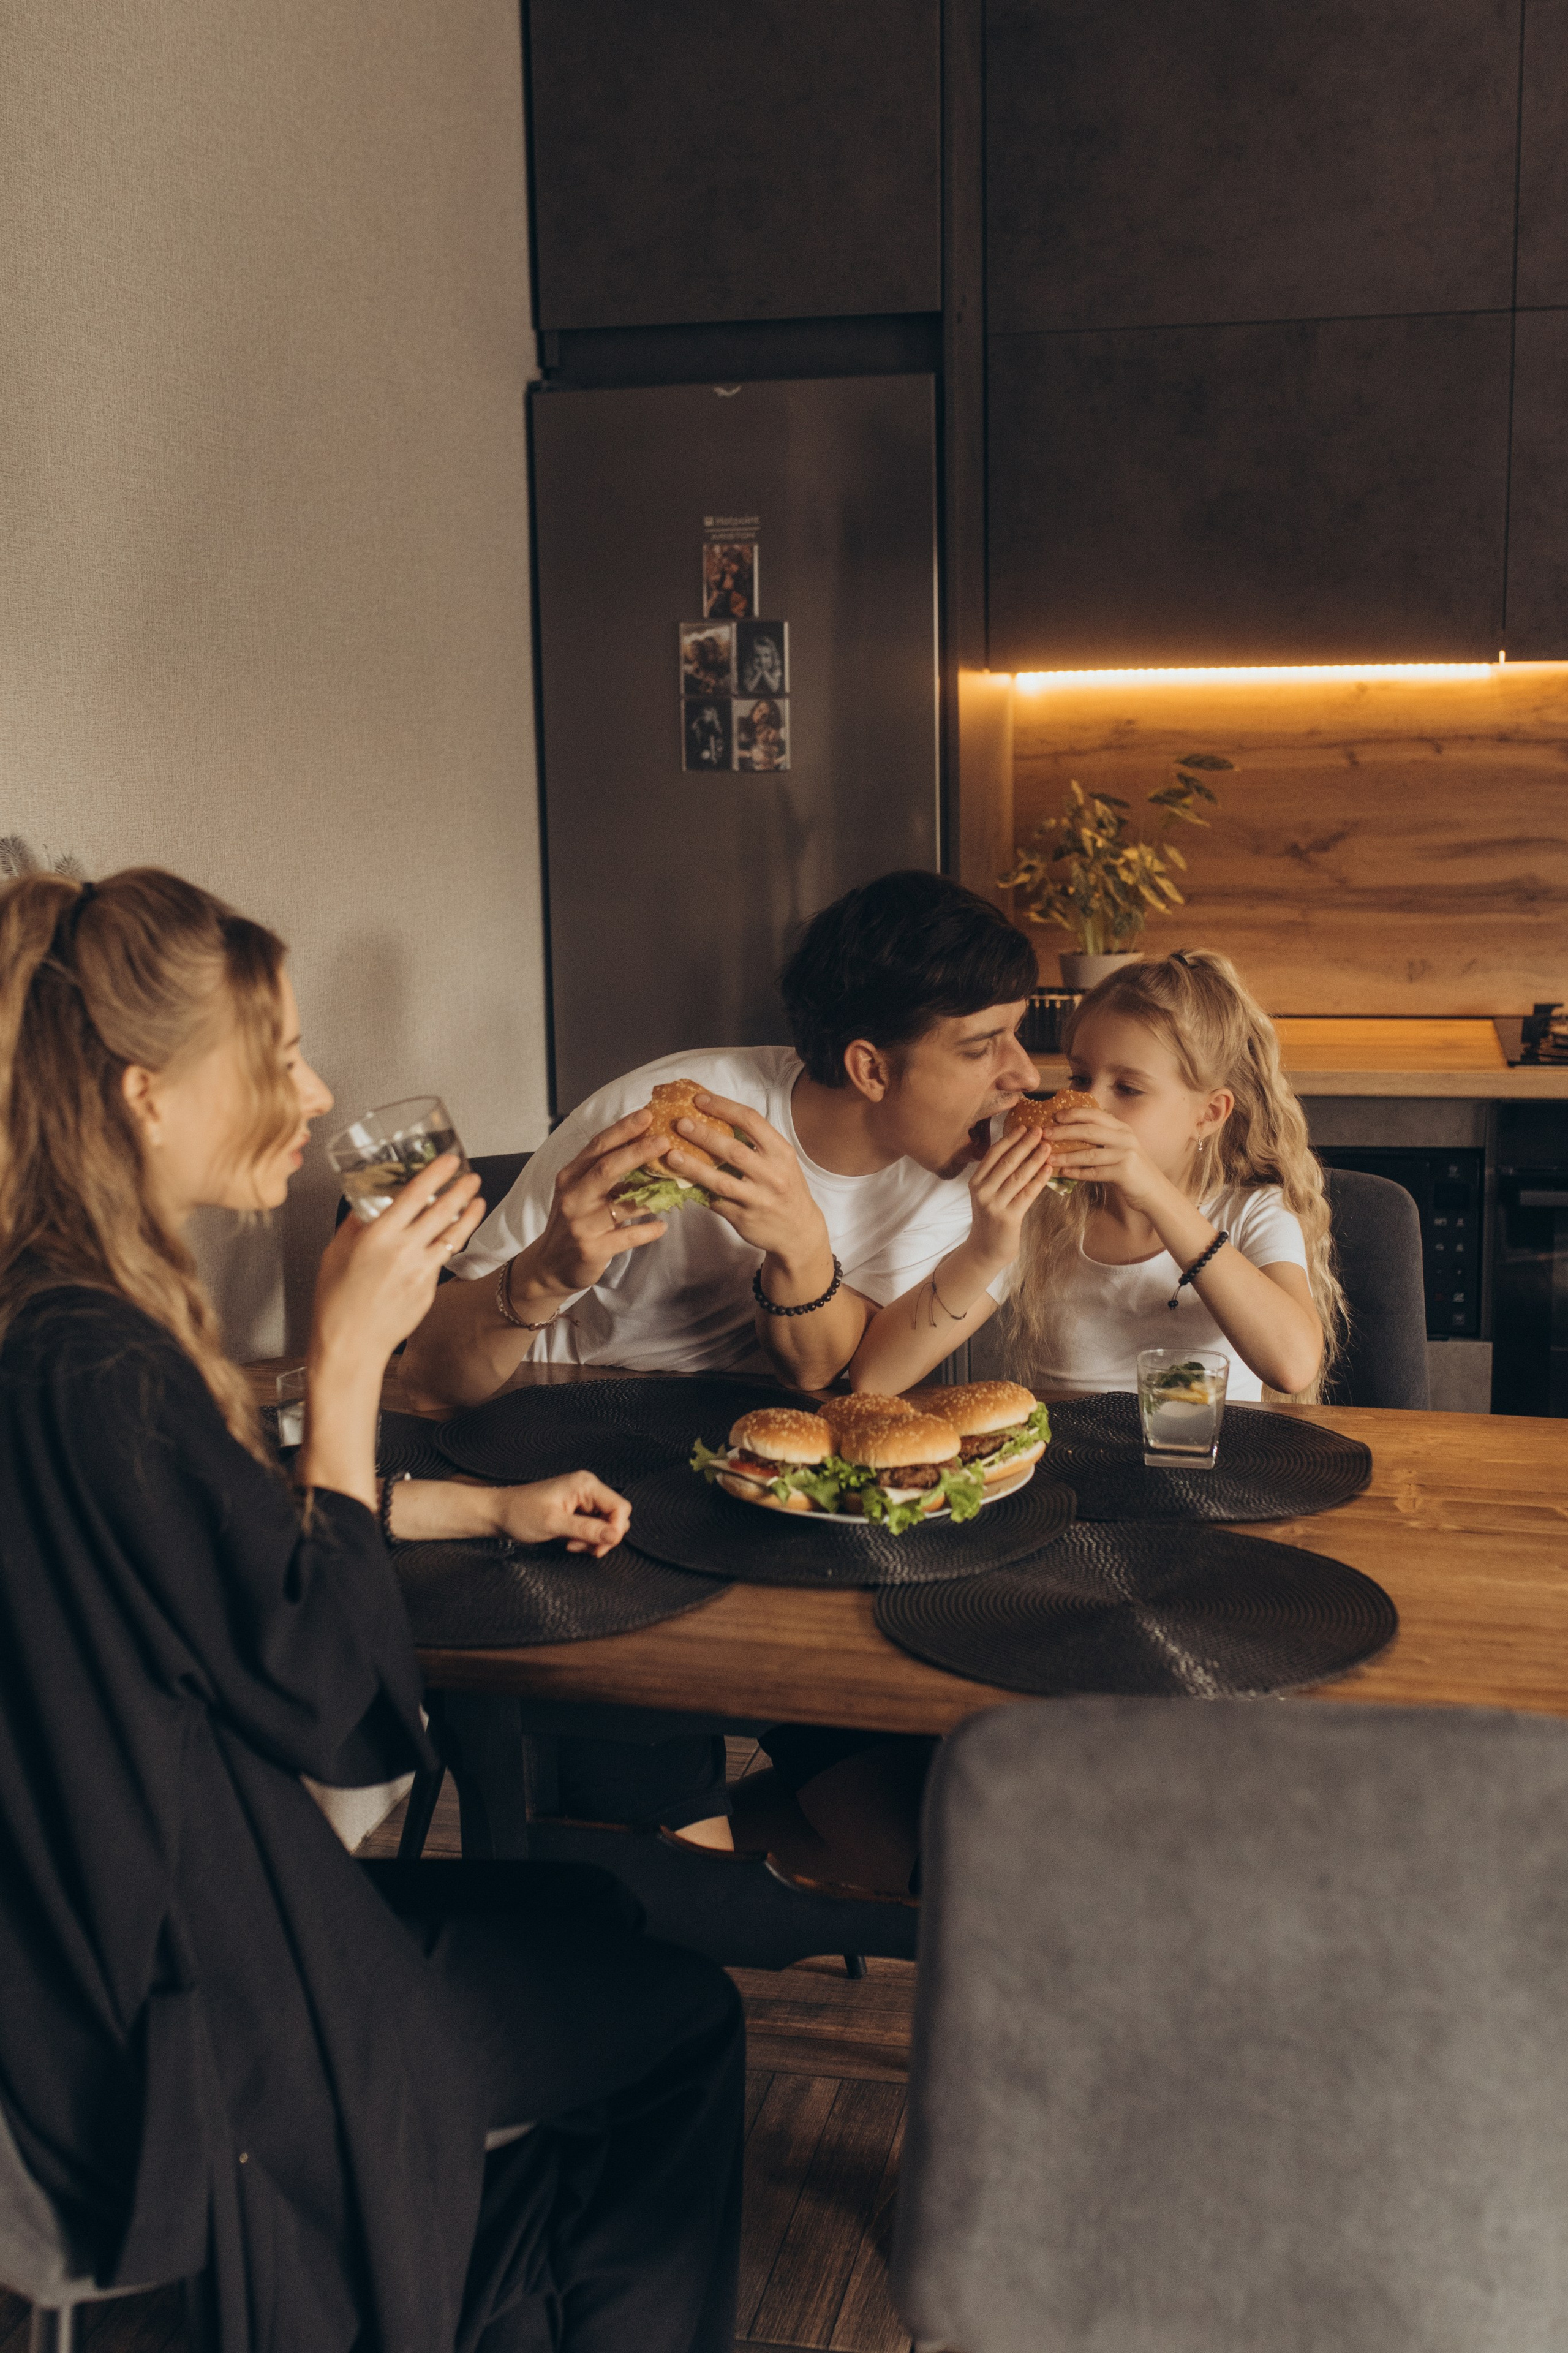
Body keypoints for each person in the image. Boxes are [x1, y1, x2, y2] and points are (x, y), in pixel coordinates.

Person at [0, 867, 743, 2353]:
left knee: (584, 1904)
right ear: (147, 1096)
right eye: (274, 1056)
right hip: (200, 2016)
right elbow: (341, 1718)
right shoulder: (98, 1366)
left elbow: (196, 1545)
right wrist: (352, 1367)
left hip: (90, 1967)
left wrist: (475, 1504)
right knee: (679, 2015)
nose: (315, 1085)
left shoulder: (47, 1325)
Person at [399, 869, 1050, 1860]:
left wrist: (799, 1246)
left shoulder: (954, 1175)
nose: (1024, 1074)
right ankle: (644, 1858)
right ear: (871, 1068)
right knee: (645, 1845)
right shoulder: (662, 1119)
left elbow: (843, 1384)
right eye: (981, 1046)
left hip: (770, 1504)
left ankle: (694, 1857)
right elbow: (428, 1380)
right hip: (579, 1492)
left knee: (948, 1786)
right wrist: (544, 1271)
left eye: (1017, 1033)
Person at [755, 949, 1343, 1895]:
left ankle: (810, 1837)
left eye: (1128, 1089)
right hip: (1050, 1523)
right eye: (1081, 1077)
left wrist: (1156, 1195)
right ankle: (877, 1846)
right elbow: (876, 1375)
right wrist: (993, 1238)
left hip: (1193, 1535)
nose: (1088, 1106)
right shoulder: (1037, 1208)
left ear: (1209, 1112)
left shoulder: (1247, 1210)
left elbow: (1292, 1361)